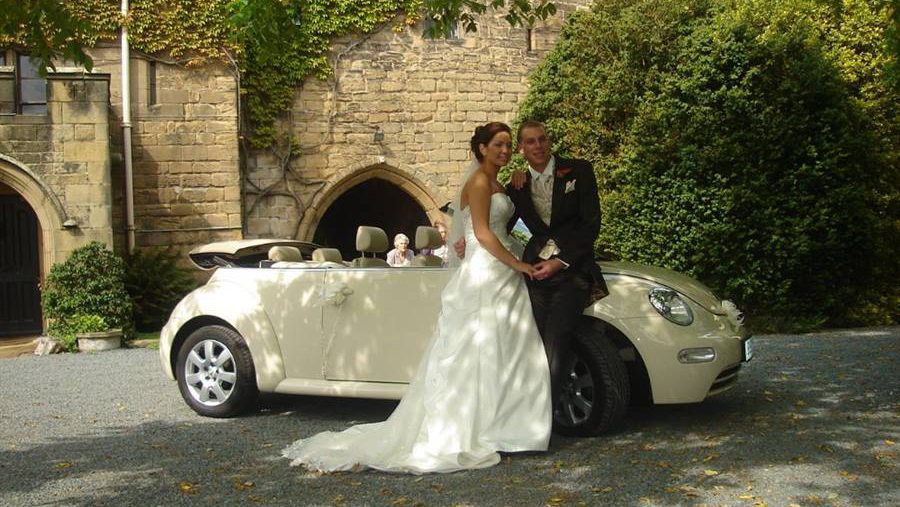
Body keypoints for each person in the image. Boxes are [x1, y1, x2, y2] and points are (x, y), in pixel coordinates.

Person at [282, 122, 551, 474]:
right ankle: (482, 430)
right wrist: (518, 263)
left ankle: (502, 428)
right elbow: (483, 233)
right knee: (478, 350)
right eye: (497, 145)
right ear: (482, 148)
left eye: (507, 145)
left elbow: (484, 228)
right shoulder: (481, 182)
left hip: (497, 270)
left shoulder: (498, 182)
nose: (504, 150)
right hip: (489, 271)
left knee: (504, 349)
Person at [506, 120, 607, 423]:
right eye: (531, 142)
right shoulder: (517, 185)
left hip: (572, 272)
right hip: (535, 273)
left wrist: (560, 262)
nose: (538, 146)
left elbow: (591, 224)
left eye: (542, 140)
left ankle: (541, 419)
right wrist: (466, 241)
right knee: (532, 341)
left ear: (549, 141)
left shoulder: (578, 170)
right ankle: (525, 413)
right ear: (521, 149)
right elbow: (501, 225)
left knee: (557, 338)